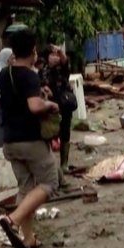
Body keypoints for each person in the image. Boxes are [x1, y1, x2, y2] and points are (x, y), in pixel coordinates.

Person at [0, 29, 59, 248]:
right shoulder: (30, 76)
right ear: (33, 51)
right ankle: (12, 219)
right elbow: (34, 106)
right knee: (49, 183)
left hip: (10, 141)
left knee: (25, 189)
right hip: (30, 141)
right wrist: (50, 105)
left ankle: (29, 238)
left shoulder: (6, 74)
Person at [40, 45, 73, 183]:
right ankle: (51, 165)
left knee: (65, 132)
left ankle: (64, 163)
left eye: (57, 55)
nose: (55, 57)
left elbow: (65, 62)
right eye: (52, 54)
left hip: (64, 104)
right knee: (50, 133)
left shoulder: (62, 68)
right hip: (49, 106)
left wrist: (60, 51)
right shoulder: (43, 69)